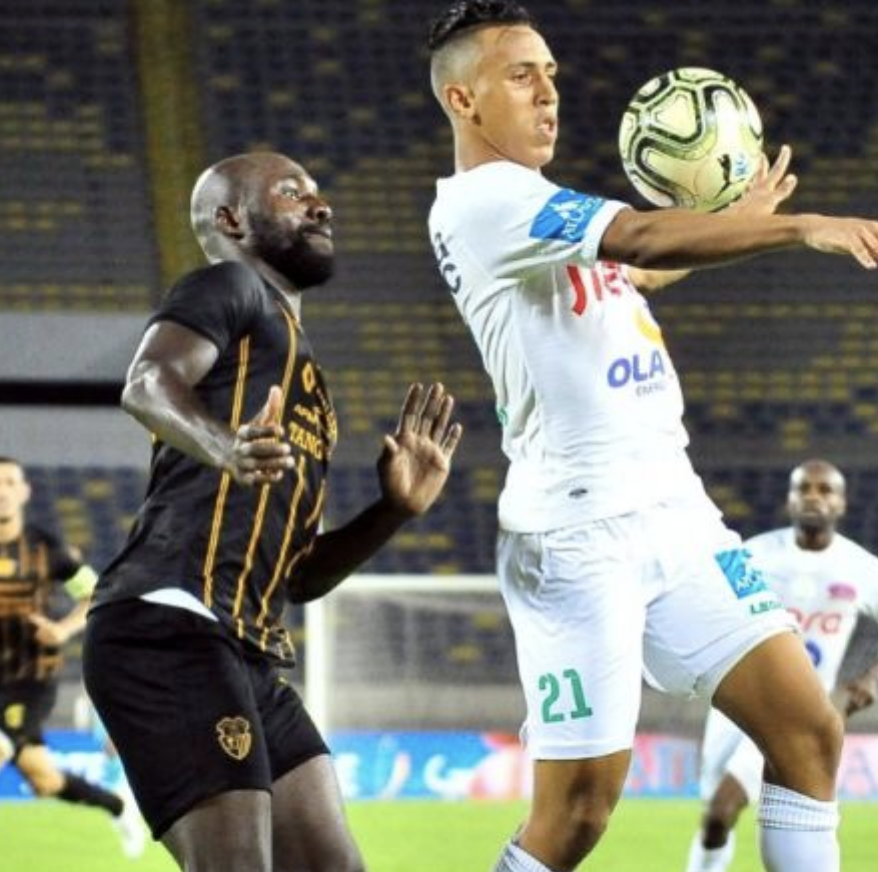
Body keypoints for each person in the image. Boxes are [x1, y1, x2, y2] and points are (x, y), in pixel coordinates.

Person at [426, 2, 878, 871]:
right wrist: (796, 227)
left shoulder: (532, 207)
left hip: (674, 513)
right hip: (578, 534)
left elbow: (635, 269)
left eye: (550, 74)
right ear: (462, 99)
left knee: (808, 732)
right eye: (520, 75)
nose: (548, 92)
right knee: (578, 814)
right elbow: (637, 231)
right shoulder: (484, 203)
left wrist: (741, 219)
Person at [81, 151, 463, 872]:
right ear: (232, 221)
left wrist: (392, 511)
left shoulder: (304, 380)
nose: (320, 204)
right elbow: (147, 383)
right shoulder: (229, 286)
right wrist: (224, 446)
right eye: (291, 193)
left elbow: (302, 577)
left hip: (247, 647)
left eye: (317, 191)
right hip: (169, 625)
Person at [685, 459, 878, 872]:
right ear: (789, 499)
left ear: (842, 503)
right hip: (735, 704)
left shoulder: (861, 567)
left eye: (824, 490)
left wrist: (872, 679)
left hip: (796, 713)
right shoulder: (752, 555)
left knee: (723, 809)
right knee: (712, 824)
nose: (813, 496)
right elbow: (702, 605)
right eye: (802, 488)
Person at [0, 456, 145, 858]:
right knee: (43, 780)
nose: (2, 491)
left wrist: (62, 630)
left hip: (27, 679)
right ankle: (118, 806)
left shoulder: (47, 549)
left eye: (10, 483)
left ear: (24, 491)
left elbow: (95, 594)